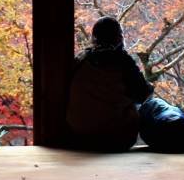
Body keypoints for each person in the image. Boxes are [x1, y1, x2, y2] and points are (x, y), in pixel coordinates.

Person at [66, 17, 154, 152]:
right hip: (116, 138)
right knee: (147, 104)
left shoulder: (81, 59)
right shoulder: (123, 61)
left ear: (94, 38)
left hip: (79, 135)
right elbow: (142, 95)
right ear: (119, 38)